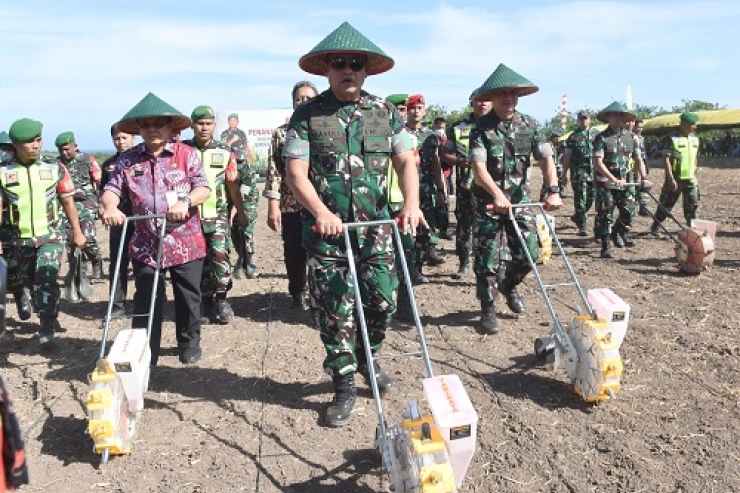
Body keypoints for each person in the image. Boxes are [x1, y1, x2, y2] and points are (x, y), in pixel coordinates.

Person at [283, 22, 424, 427]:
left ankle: (369, 357)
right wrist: (322, 213)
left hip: (376, 228)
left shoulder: (385, 112)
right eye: (340, 63)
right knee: (335, 311)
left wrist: (411, 203)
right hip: (328, 234)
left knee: (382, 301)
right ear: (327, 69)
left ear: (366, 70)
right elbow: (296, 173)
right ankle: (344, 381)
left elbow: (405, 161)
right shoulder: (308, 114)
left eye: (355, 64)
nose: (348, 70)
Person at [100, 92, 210, 365]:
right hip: (146, 242)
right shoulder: (128, 160)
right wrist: (111, 208)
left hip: (185, 240)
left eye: (158, 124)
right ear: (139, 129)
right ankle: (146, 351)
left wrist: (186, 201)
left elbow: (203, 188)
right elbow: (112, 190)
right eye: (146, 125)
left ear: (171, 127)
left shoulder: (187, 155)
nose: (152, 130)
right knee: (147, 297)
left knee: (188, 296)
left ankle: (189, 343)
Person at [468, 64, 562, 334]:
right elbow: (478, 169)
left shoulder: (530, 125)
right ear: (492, 97)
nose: (508, 98)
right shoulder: (480, 129)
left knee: (529, 254)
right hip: (488, 202)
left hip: (520, 201)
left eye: (512, 93)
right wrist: (497, 194)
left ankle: (509, 285)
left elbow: (546, 158)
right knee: (487, 259)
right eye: (502, 94)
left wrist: (553, 189)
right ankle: (487, 307)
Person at [0, 118, 87, 349]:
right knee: (30, 281)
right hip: (21, 239)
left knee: (46, 277)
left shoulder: (54, 167)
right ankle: (43, 312)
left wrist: (77, 232)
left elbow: (68, 202)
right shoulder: (4, 171)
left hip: (51, 234)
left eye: (38, 140)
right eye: (30, 142)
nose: (36, 146)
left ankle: (47, 327)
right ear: (16, 145)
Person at [183, 105, 248, 324]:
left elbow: (232, 184)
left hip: (218, 213)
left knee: (220, 256)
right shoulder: (183, 152)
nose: (204, 128)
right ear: (192, 125)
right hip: (190, 217)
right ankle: (205, 301)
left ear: (214, 126)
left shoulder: (224, 152)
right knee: (198, 260)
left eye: (208, 124)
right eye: (200, 124)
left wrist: (239, 211)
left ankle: (222, 298)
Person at [263, 81, 318, 310]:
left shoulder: (324, 131)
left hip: (319, 205)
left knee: (320, 250)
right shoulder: (281, 134)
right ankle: (298, 292)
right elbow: (274, 170)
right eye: (299, 98)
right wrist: (273, 206)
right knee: (294, 252)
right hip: (290, 204)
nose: (303, 102)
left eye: (308, 98)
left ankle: (319, 294)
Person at [440, 88, 492, 279]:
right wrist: (459, 161)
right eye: (478, 100)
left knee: (489, 228)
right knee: (464, 226)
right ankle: (463, 264)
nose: (483, 103)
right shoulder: (458, 127)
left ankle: (487, 268)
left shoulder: (498, 126)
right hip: (465, 187)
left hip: (489, 188)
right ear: (472, 102)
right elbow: (444, 153)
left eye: (486, 99)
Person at [592, 102, 650, 258]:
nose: (618, 118)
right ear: (608, 117)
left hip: (626, 180)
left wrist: (644, 177)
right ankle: (605, 246)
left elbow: (638, 160)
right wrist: (612, 179)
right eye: (615, 115)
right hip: (605, 181)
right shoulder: (601, 138)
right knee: (606, 212)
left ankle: (618, 232)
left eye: (621, 115)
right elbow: (598, 162)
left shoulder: (632, 137)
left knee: (629, 211)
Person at [55, 131, 104, 290]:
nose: (64, 153)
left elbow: (99, 182)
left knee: (88, 238)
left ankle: (96, 261)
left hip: (86, 203)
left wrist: (102, 204)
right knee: (71, 240)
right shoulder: (57, 165)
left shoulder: (88, 160)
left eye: (67, 149)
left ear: (75, 146)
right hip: (66, 205)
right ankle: (79, 273)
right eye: (61, 150)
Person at [406, 94, 446, 278]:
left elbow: (435, 163)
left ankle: (418, 268)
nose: (416, 111)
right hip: (405, 189)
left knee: (425, 228)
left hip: (426, 188)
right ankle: (408, 267)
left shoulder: (430, 137)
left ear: (425, 112)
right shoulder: (400, 133)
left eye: (420, 108)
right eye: (412, 108)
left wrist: (440, 188)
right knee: (407, 230)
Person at [100, 123, 136, 319]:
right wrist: (103, 207)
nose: (121, 142)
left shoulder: (142, 160)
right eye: (117, 138)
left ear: (134, 138)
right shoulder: (109, 165)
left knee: (145, 264)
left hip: (143, 220)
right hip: (119, 222)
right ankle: (117, 306)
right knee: (118, 264)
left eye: (125, 137)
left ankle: (150, 301)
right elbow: (103, 191)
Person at [0, 131, 33, 321]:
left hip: (12, 228)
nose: (3, 154)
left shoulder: (14, 171)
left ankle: (20, 295)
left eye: (7, 149)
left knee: (12, 269)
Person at [650, 112, 701, 233]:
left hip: (690, 178)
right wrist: (670, 178)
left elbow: (694, 157)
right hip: (676, 177)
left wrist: (694, 172)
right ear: (684, 124)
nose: (695, 127)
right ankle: (656, 225)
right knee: (666, 203)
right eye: (693, 124)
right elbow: (666, 159)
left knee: (693, 204)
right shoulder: (672, 138)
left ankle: (692, 229)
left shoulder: (695, 138)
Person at [561, 110, 596, 236]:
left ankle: (577, 216)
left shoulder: (596, 134)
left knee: (590, 199)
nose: (584, 121)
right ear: (578, 120)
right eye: (581, 119)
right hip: (579, 172)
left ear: (590, 120)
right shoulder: (573, 137)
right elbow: (567, 155)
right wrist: (564, 173)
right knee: (580, 198)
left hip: (593, 172)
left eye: (586, 118)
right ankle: (582, 225)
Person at [230, 149, 260, 280]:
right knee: (235, 232)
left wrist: (233, 214)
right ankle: (240, 261)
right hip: (233, 202)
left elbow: (242, 195)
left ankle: (248, 262)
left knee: (246, 231)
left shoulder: (248, 170)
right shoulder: (228, 167)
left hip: (248, 204)